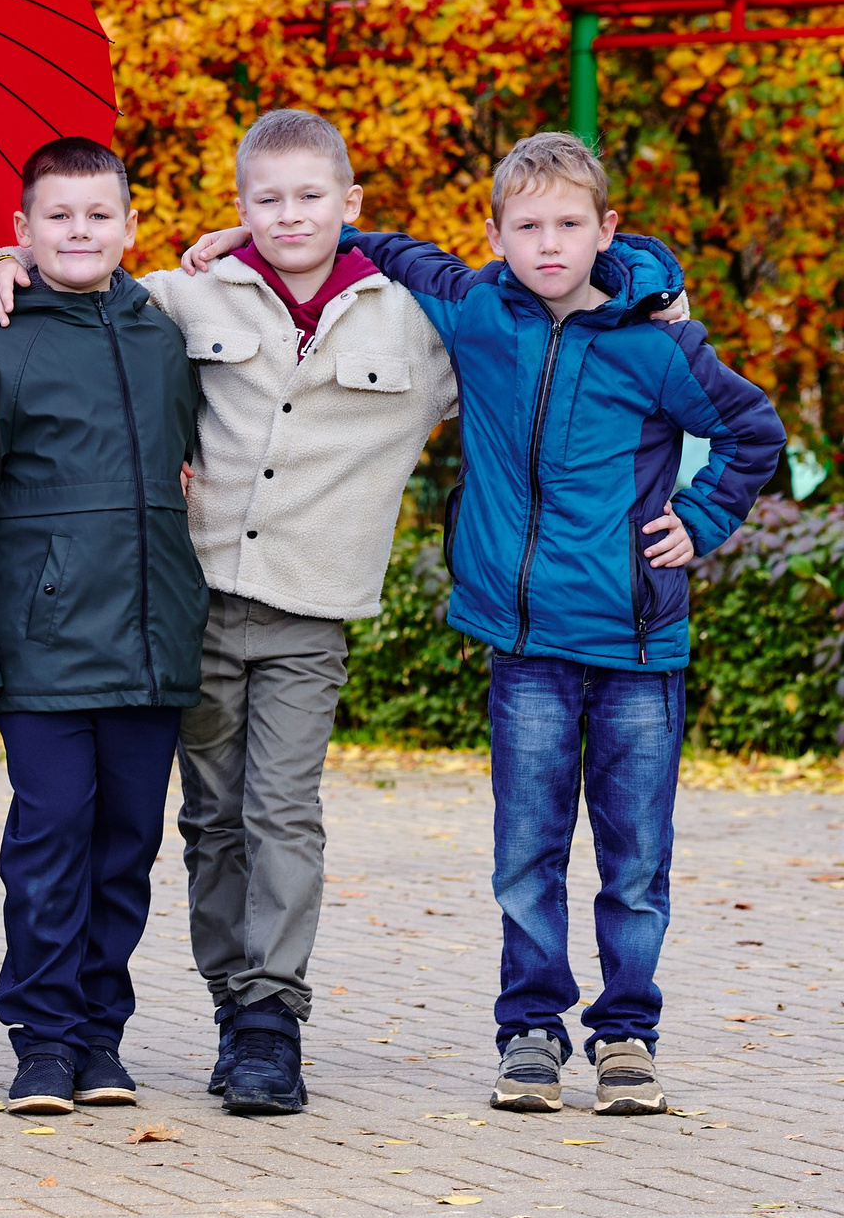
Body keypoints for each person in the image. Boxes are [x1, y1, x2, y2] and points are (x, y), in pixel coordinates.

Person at [206, 128, 784, 1118]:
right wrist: (250, 239)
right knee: (526, 856)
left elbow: (751, 429)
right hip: (524, 648)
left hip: (639, 645)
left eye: (568, 225)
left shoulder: (658, 345)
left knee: (635, 862)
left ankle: (627, 1035)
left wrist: (700, 520)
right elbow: (381, 247)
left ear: (606, 229)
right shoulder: (477, 313)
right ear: (495, 236)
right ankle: (530, 1033)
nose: (548, 244)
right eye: (527, 227)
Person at [0, 106, 457, 1118]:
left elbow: (538, 321)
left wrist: (646, 293)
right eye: (266, 201)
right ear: (238, 206)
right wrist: (0, 262)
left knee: (282, 810)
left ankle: (270, 1019)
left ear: (350, 203)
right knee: (210, 819)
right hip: (190, 605)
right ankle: (231, 1003)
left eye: (312, 198)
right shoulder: (188, 296)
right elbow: (80, 281)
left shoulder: (413, 324)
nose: (290, 217)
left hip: (309, 613)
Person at [0, 138, 208, 1116]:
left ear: (130, 226)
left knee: (126, 849)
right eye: (59, 217)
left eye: (98, 216)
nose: (79, 232)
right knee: (50, 843)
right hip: (40, 653)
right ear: (23, 231)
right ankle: (42, 1038)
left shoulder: (163, 337)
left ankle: (98, 1039)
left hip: (151, 647)